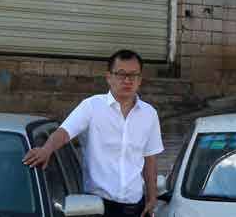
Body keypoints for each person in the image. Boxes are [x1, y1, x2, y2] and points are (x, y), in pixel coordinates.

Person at [24, 50, 162, 217]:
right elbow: (65, 131)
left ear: (140, 79)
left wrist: (152, 197)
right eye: (121, 74)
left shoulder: (149, 114)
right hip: (97, 207)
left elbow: (150, 158)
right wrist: (46, 149)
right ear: (109, 77)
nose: (127, 80)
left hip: (136, 206)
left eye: (133, 75)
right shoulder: (91, 107)